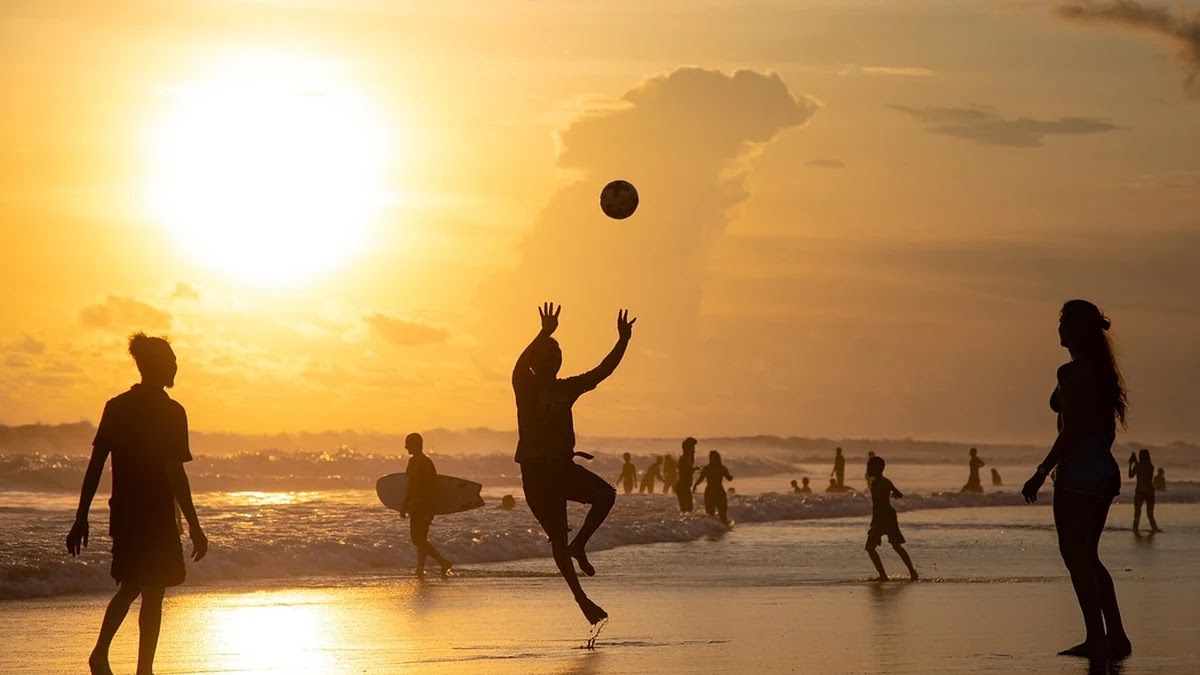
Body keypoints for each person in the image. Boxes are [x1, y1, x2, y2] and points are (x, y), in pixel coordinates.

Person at [66, 333, 207, 675]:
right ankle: (143, 670)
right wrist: (194, 524)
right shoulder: (172, 412)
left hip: (127, 513)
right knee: (151, 590)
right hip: (156, 515)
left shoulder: (117, 406)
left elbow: (96, 464)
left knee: (132, 585)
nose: (176, 366)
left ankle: (101, 654)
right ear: (157, 366)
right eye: (171, 361)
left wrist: (81, 516)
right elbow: (175, 473)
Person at [1022, 300, 1131, 660]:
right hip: (1103, 467)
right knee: (1090, 556)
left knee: (1075, 556)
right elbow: (1081, 418)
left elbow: (1069, 431)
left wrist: (1040, 472)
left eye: (1062, 323)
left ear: (1072, 330)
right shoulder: (1100, 372)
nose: (1058, 329)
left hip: (1079, 468)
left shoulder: (1072, 374)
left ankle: (1095, 638)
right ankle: (1115, 635)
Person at [512, 302, 632, 625]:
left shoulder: (567, 388)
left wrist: (623, 340)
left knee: (606, 495)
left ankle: (582, 544)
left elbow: (601, 372)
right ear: (538, 362)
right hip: (536, 474)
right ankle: (581, 599)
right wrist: (543, 333)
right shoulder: (525, 386)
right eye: (548, 357)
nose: (554, 361)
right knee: (557, 540)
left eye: (557, 357)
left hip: (562, 469)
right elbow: (518, 366)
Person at [400, 432, 452, 578]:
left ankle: (443, 562)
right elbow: (433, 486)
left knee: (417, 540)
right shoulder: (427, 462)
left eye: (408, 443)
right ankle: (420, 569)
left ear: (415, 445)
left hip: (418, 506)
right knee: (421, 540)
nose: (405, 446)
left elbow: (410, 486)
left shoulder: (415, 462)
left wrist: (404, 505)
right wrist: (433, 507)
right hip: (425, 505)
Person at [865, 456, 918, 582]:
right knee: (896, 546)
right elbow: (899, 494)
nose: (868, 469)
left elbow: (877, 505)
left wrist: (874, 523)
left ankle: (883, 575)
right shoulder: (887, 481)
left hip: (881, 515)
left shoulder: (875, 484)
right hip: (890, 515)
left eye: (870, 466)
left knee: (870, 547)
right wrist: (892, 495)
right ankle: (912, 572)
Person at [694, 450, 733, 525]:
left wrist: (695, 485)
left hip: (711, 492)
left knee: (713, 513)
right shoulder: (721, 468)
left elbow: (701, 478)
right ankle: (719, 527)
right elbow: (729, 478)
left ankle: (715, 528)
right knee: (719, 513)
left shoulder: (707, 468)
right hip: (718, 492)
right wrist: (695, 485)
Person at [1128, 449, 1161, 534]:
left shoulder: (1145, 466)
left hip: (1141, 492)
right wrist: (1132, 463)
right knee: (1147, 514)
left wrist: (1132, 463)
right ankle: (1154, 529)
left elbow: (1132, 474)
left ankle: (1137, 530)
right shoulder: (1149, 466)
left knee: (1139, 514)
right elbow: (1131, 475)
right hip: (1148, 492)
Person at [675, 437, 700, 513]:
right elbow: (686, 471)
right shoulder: (684, 459)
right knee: (687, 510)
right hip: (683, 488)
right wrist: (694, 469)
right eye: (692, 447)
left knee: (687, 510)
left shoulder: (687, 458)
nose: (694, 450)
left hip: (684, 488)